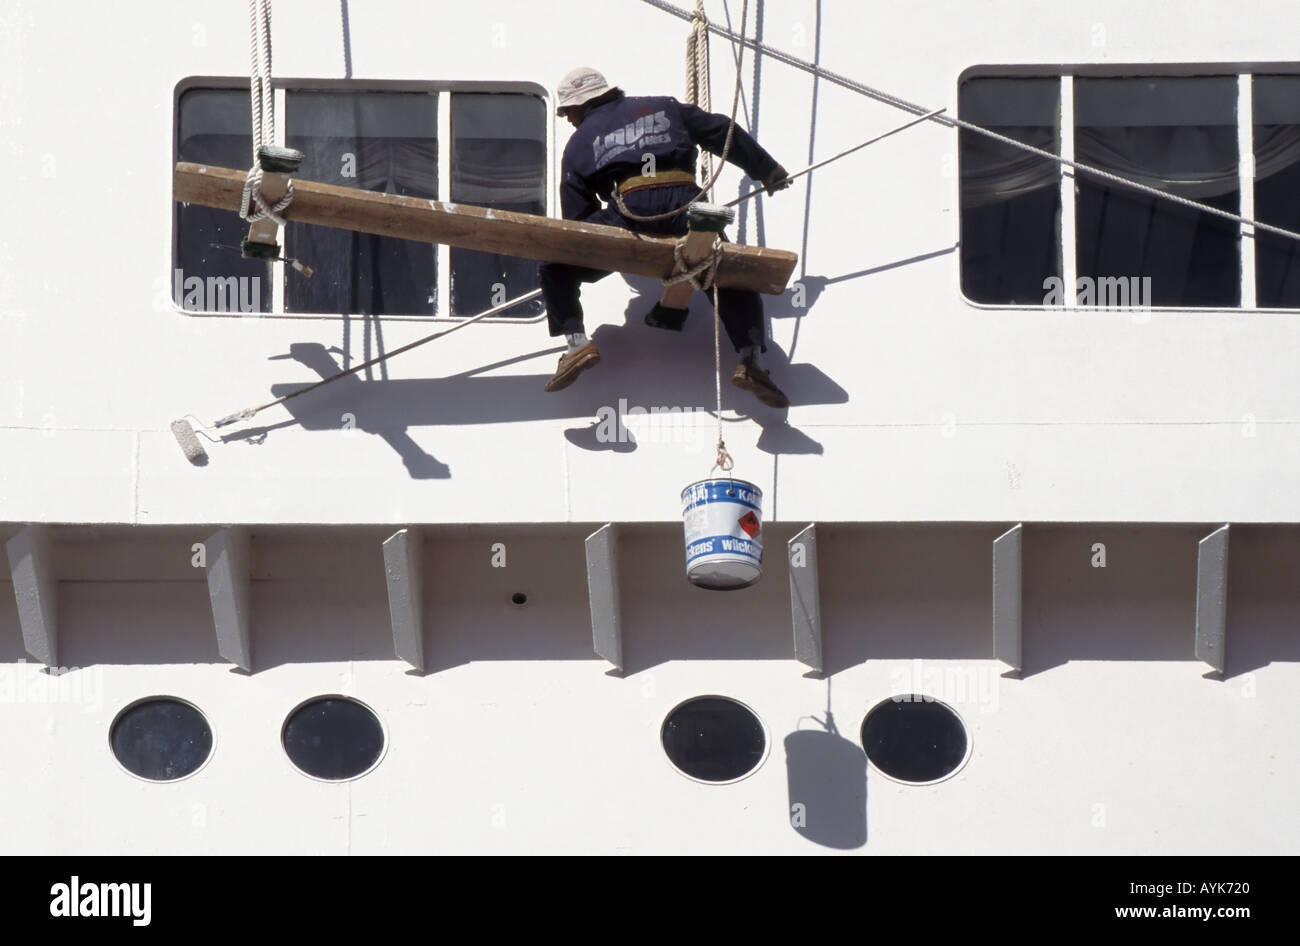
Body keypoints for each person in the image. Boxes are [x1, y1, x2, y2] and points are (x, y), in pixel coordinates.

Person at [539, 67, 793, 408]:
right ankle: (751, 362)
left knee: (555, 266)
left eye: (568, 110)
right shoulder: (665, 107)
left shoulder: (582, 140)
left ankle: (576, 345)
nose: (568, 119)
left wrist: (596, 249)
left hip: (633, 209)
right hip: (689, 206)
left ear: (584, 103)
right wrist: (766, 170)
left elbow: (579, 219)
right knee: (729, 271)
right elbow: (720, 130)